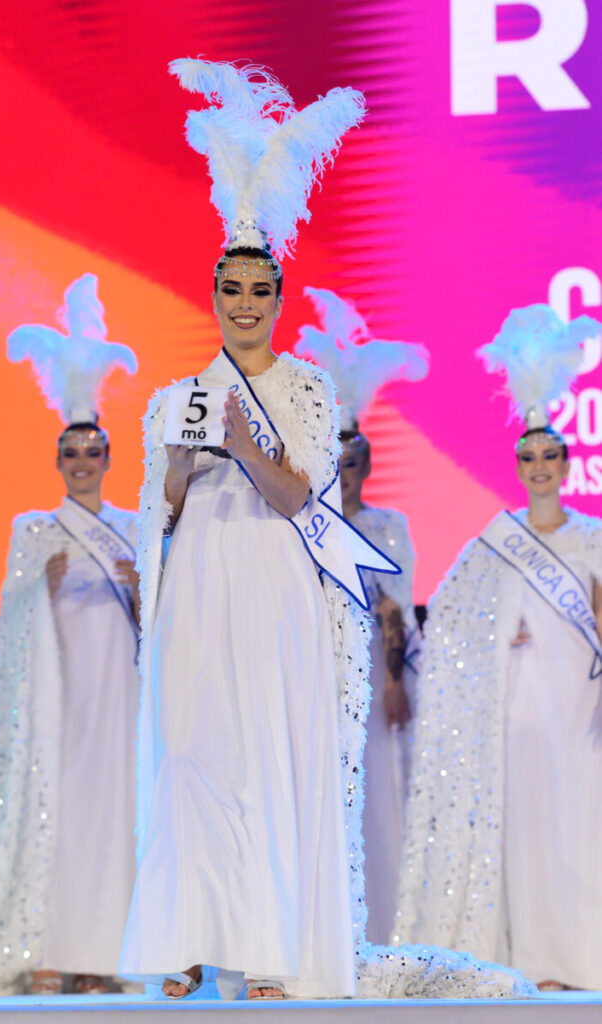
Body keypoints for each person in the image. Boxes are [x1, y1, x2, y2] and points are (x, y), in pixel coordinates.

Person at [120, 59, 533, 1003]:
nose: (246, 303)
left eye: (261, 289)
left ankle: (268, 952)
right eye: (232, 288)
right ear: (216, 292)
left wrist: (246, 446)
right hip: (198, 596)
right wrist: (184, 467)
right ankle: (187, 938)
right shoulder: (173, 397)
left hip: (274, 592)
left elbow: (303, 498)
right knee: (192, 755)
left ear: (277, 294)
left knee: (267, 758)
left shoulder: (305, 386)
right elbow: (163, 513)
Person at [0, 275, 141, 995]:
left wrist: (141, 588)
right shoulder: (34, 530)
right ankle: (49, 948)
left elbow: (161, 625)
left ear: (109, 459)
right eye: (71, 454)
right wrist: (37, 594)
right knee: (60, 814)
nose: (83, 463)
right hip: (60, 704)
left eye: (94, 452)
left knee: (115, 815)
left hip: (119, 699)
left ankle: (104, 954)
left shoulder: (135, 532)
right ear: (58, 462)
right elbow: (11, 621)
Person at [394, 305, 602, 991]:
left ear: (568, 462)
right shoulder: (494, 543)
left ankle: (586, 955)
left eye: (550, 456)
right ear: (516, 465)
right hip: (516, 714)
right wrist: (493, 628)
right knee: (532, 837)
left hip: (583, 712)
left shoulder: (593, 537)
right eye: (528, 458)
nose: (540, 467)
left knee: (583, 829)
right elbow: (448, 616)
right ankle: (540, 963)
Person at [295, 286, 426, 946]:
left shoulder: (388, 525)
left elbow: (397, 607)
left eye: (355, 463)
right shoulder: (304, 524)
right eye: (336, 463)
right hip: (315, 673)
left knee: (377, 791)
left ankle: (382, 926)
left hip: (372, 676)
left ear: (368, 466)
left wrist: (397, 680)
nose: (345, 474)